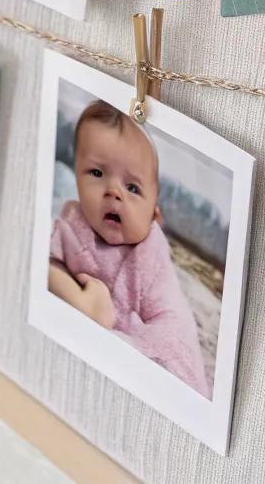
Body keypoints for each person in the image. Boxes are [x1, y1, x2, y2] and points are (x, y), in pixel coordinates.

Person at [48, 100, 210, 396]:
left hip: (154, 342)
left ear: (154, 218)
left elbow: (174, 330)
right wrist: (81, 302)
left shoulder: (151, 256)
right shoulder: (72, 222)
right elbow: (47, 265)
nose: (113, 192)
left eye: (133, 188)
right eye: (96, 173)